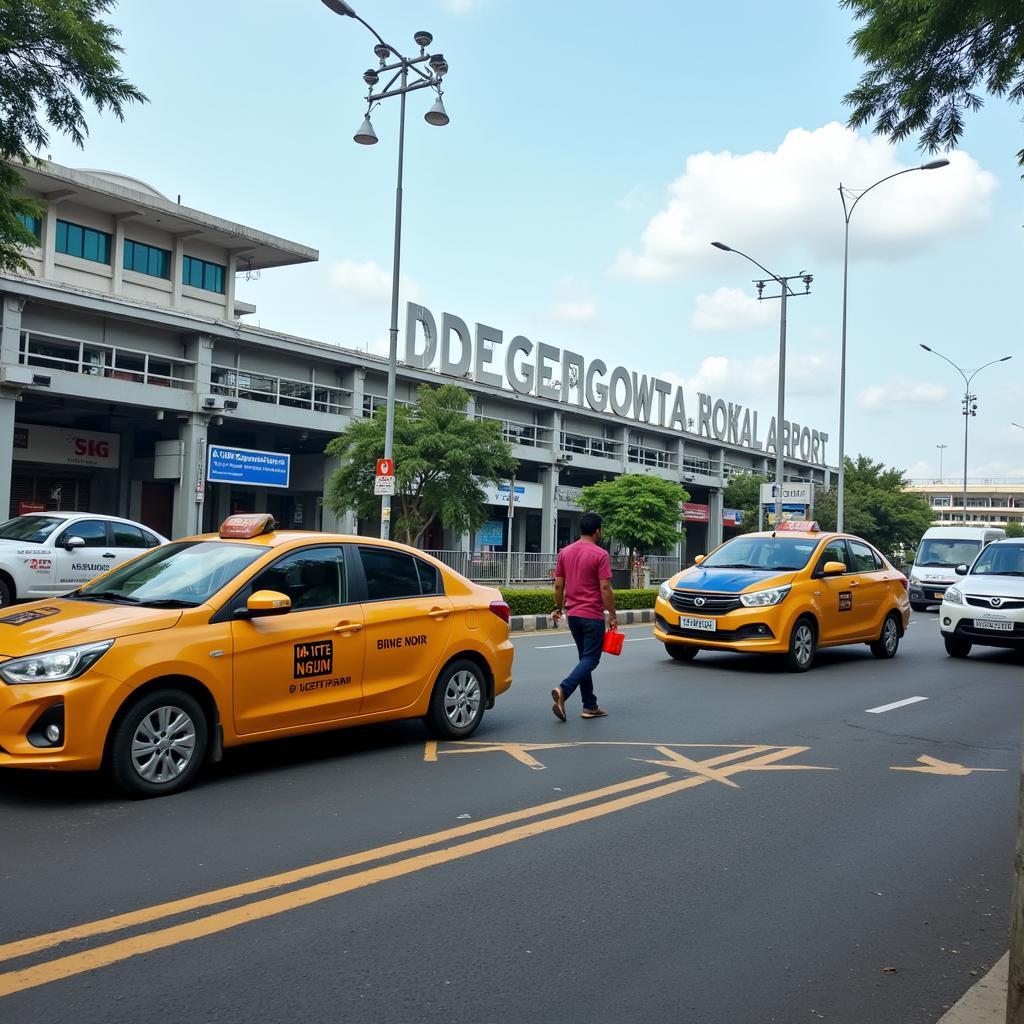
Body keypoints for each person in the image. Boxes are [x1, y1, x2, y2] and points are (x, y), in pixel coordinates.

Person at [550, 512, 618, 721]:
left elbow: (559, 584)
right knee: (591, 659)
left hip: (573, 615)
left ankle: (590, 705)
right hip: (592, 616)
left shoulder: (565, 552)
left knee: (584, 659)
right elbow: (605, 588)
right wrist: (613, 615)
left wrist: (559, 607)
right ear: (598, 530)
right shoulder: (600, 554)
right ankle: (564, 689)